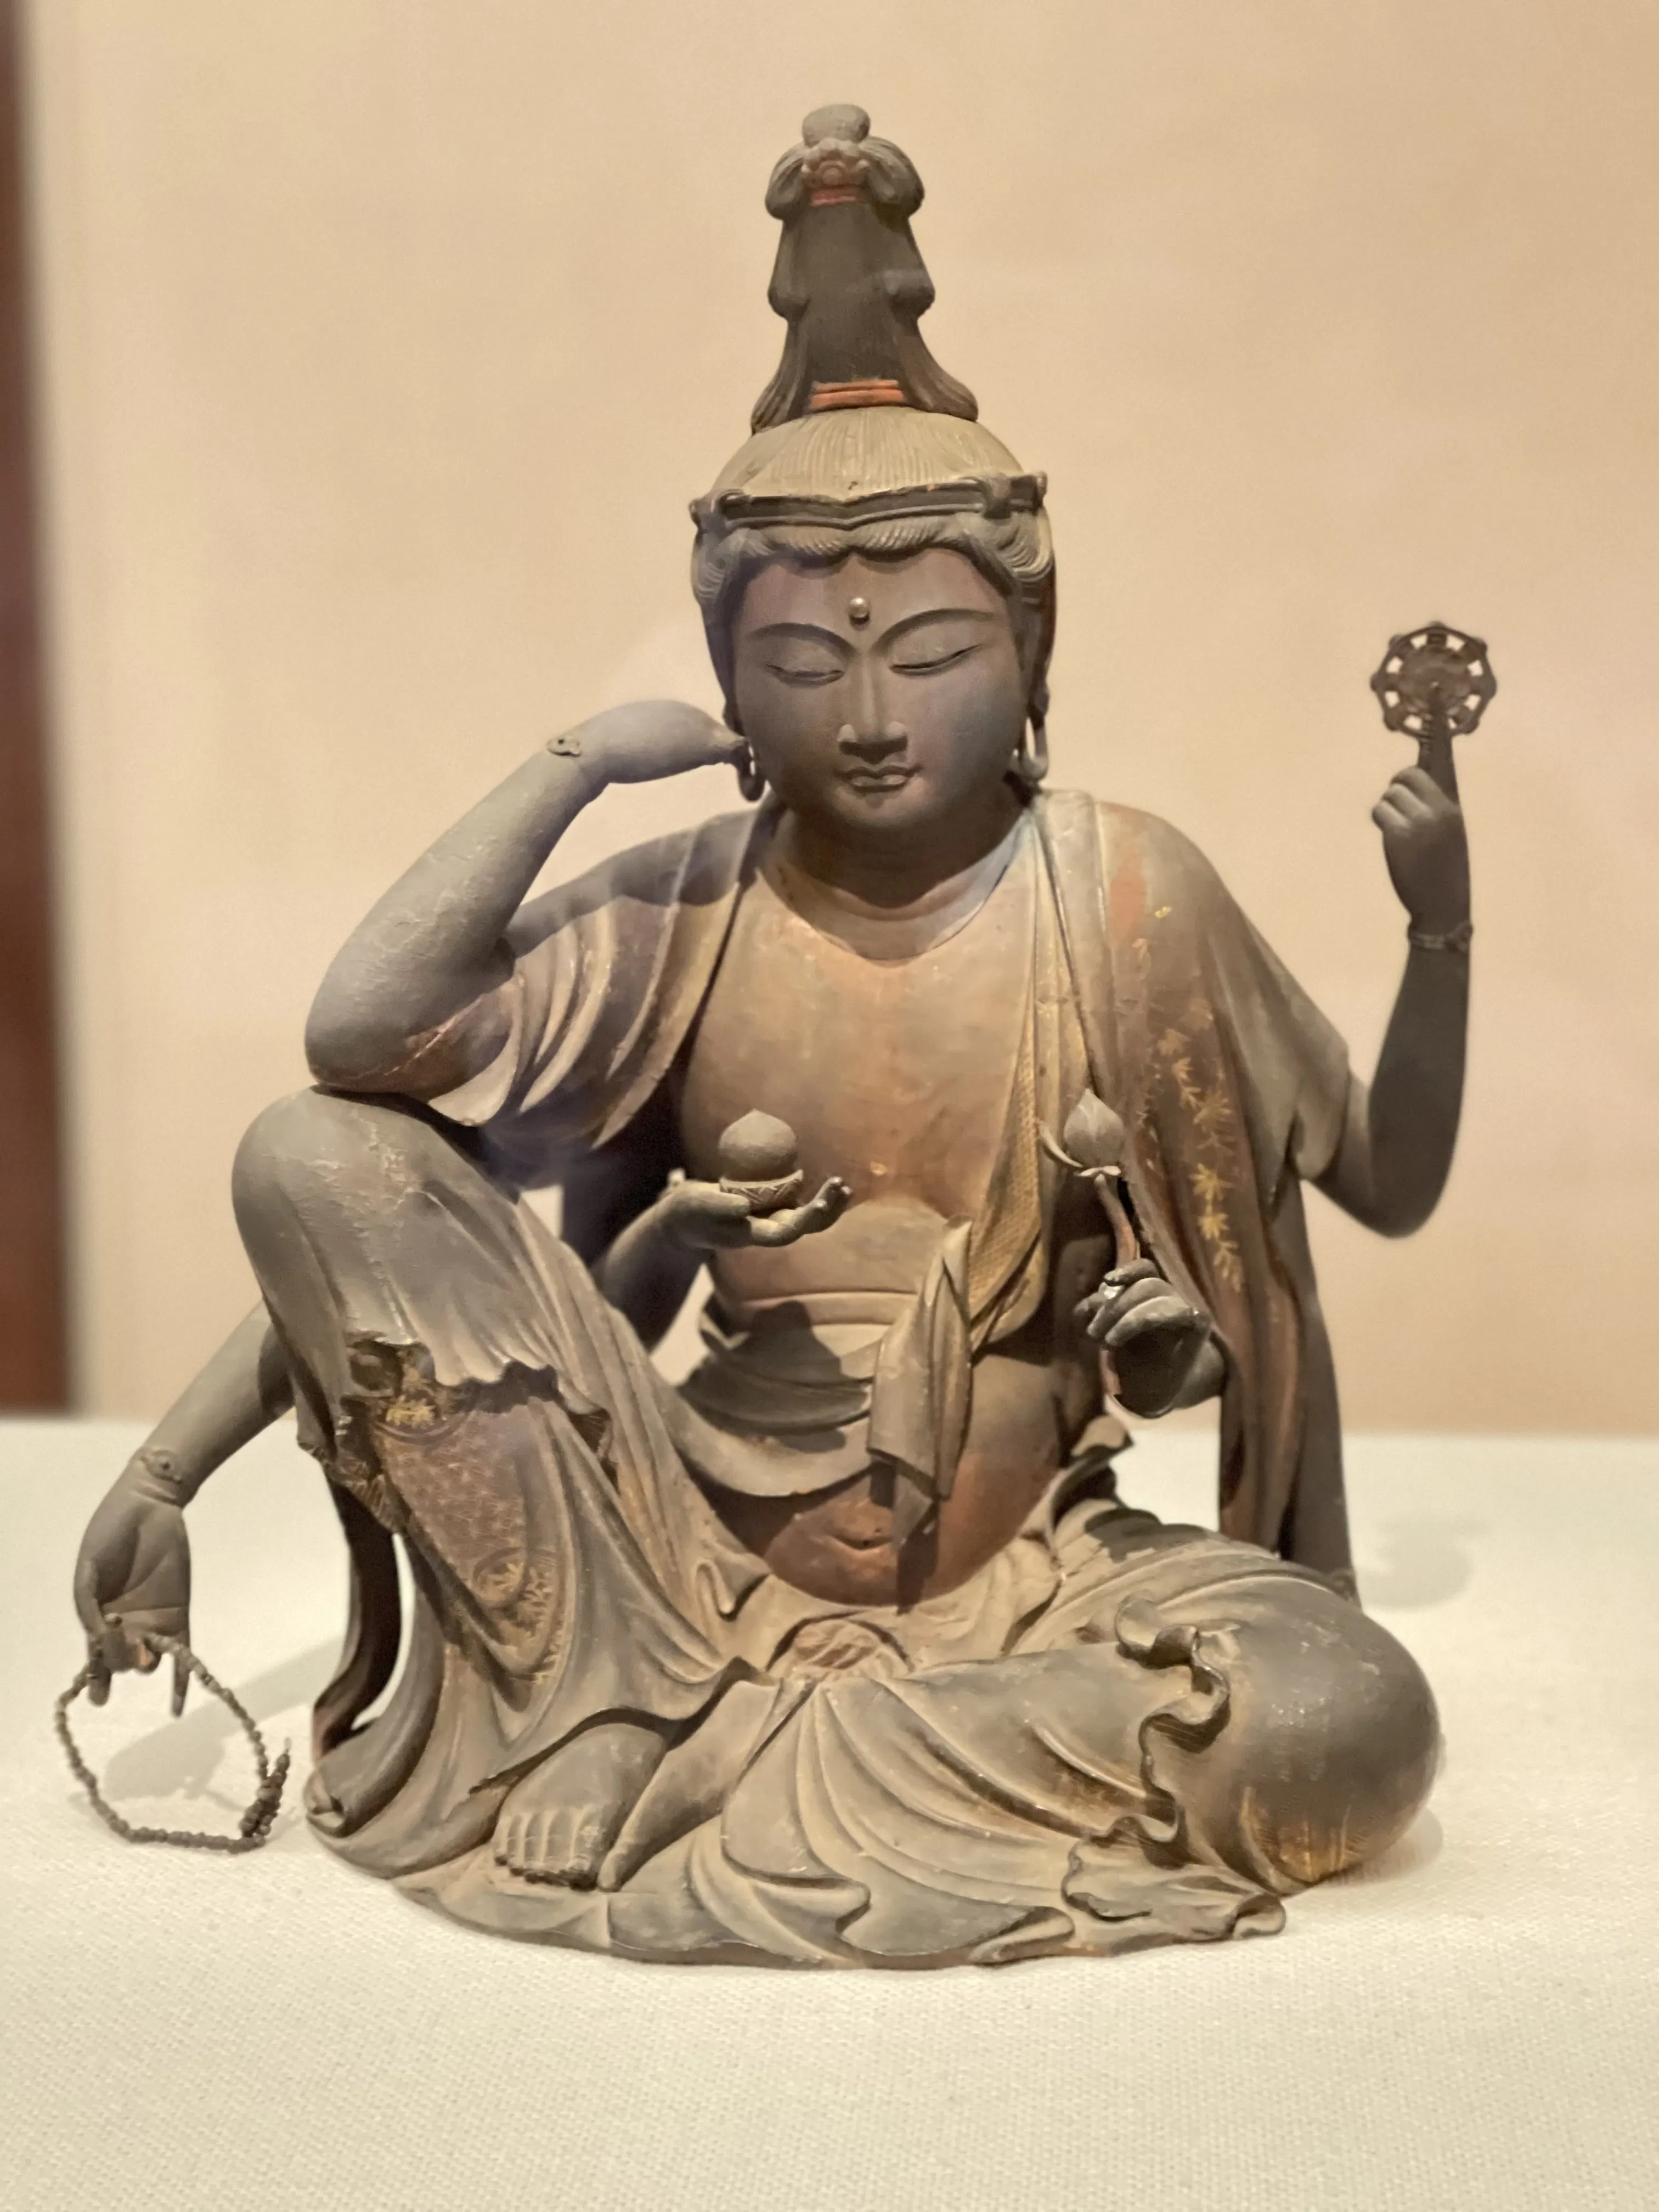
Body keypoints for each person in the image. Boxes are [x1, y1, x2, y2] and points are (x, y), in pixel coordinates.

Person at [71, 108, 1467, 1967]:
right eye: (806, 666)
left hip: (1032, 1577)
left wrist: (1441, 932)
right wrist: (572, 766)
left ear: (1034, 660)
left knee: (1346, 1721)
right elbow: (371, 1070)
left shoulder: (1132, 894)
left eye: (935, 656)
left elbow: (1390, 1177)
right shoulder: (686, 908)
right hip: (673, 1554)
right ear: (729, 680)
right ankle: (620, 1696)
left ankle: (719, 1747)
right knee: (302, 1147)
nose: (873, 717)